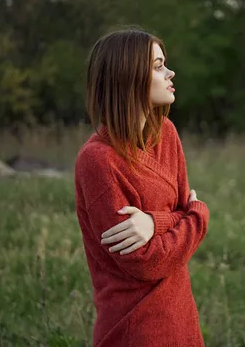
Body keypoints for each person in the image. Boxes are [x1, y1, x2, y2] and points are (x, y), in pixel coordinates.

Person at [74, 28, 210, 347]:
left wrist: (155, 222)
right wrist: (199, 217)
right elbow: (145, 261)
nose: (170, 72)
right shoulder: (97, 160)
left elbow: (181, 210)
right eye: (159, 65)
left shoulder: (167, 134)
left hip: (181, 318)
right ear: (129, 76)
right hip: (134, 327)